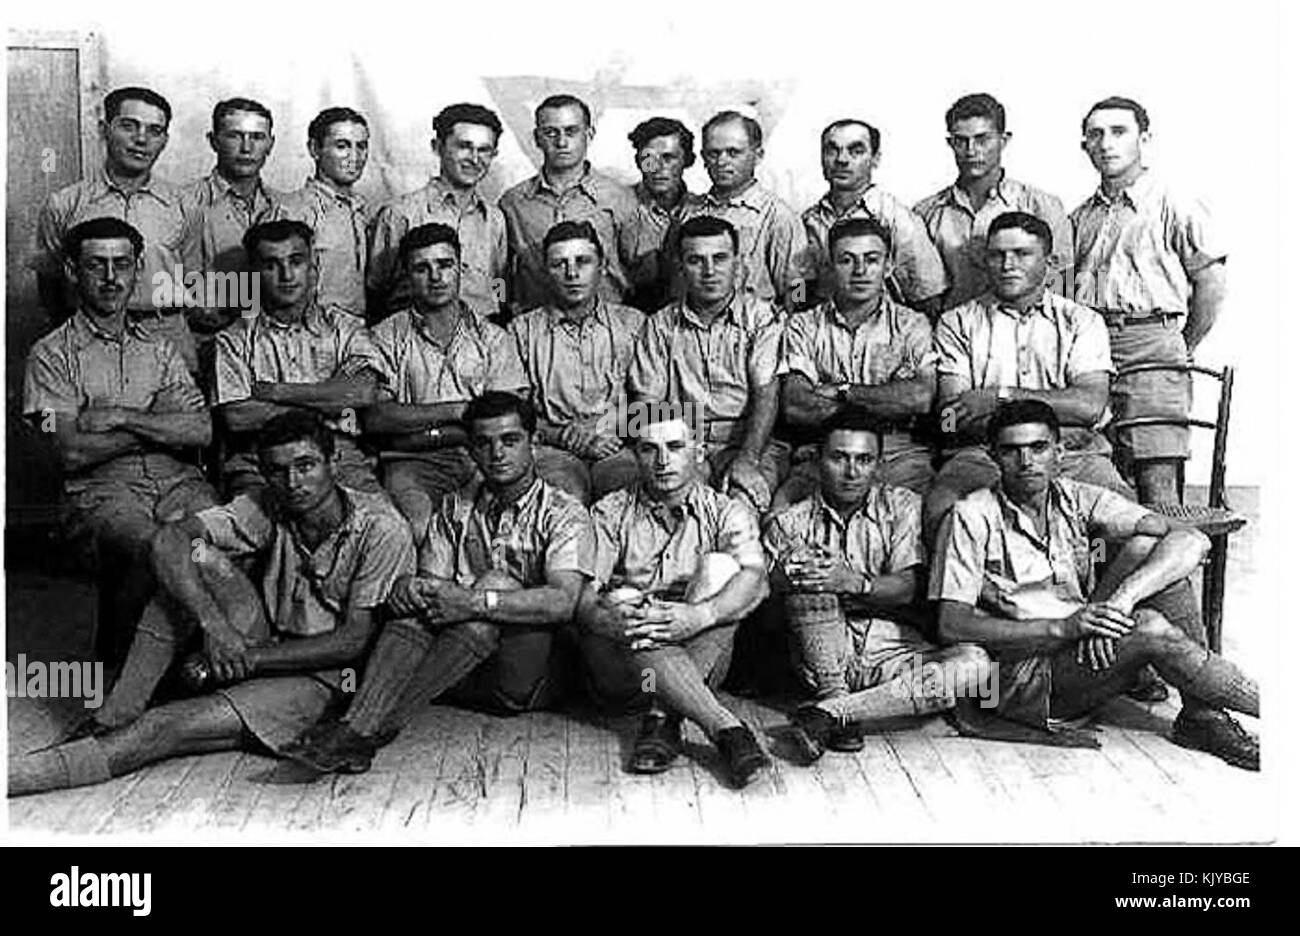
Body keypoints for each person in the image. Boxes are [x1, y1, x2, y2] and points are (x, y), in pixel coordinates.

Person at [9, 410, 415, 797]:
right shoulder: (268, 502)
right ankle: (113, 714)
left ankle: (15, 778)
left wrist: (247, 658)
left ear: (333, 461)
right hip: (261, 640)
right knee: (198, 556)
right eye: (277, 470)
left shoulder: (382, 529)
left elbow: (353, 642)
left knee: (159, 729)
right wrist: (215, 627)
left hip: (326, 679)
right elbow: (168, 539)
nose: (292, 482)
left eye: (306, 466)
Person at [278, 392, 595, 776]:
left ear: (534, 442)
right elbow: (435, 590)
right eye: (483, 443)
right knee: (419, 599)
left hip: (532, 676)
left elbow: (563, 602)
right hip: (462, 670)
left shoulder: (564, 513)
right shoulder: (455, 506)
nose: (497, 453)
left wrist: (476, 601)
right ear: (470, 450)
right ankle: (358, 733)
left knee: (494, 586)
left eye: (510, 440)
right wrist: (409, 589)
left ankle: (366, 726)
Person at [929, 399, 1258, 770]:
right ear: (993, 456)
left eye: (1038, 448)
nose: (1026, 462)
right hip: (1017, 676)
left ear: (1059, 451)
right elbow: (950, 625)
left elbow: (1192, 540)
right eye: (1011, 451)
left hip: (1077, 643)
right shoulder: (970, 516)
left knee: (1151, 553)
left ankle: (1203, 716)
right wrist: (1062, 627)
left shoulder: (1076, 496)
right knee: (1150, 627)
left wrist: (1118, 603)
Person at [22, 218, 218, 662]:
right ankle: (217, 638)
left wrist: (120, 418)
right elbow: (71, 450)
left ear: (136, 269)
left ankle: (179, 662)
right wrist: (156, 426)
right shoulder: (50, 356)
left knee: (223, 536)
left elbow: (201, 429)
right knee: (163, 546)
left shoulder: (162, 348)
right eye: (97, 265)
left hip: (179, 481)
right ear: (72, 271)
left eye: (122, 265)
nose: (112, 278)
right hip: (102, 493)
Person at [764, 407, 989, 761]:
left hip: (894, 652)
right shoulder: (791, 521)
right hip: (823, 654)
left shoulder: (903, 506)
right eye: (839, 458)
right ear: (817, 460)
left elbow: (912, 587)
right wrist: (788, 576)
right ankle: (834, 695)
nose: (852, 472)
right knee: (807, 573)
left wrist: (854, 582)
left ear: (879, 464)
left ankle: (832, 713)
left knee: (975, 664)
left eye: (864, 460)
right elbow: (765, 609)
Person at [575, 406, 772, 787]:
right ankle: (723, 726)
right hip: (630, 676)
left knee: (723, 569)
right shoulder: (609, 511)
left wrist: (699, 616)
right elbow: (582, 597)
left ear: (698, 452)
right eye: (649, 449)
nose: (663, 461)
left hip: (700, 662)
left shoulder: (725, 511)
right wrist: (610, 620)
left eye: (676, 446)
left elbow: (756, 580)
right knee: (625, 599)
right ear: (635, 455)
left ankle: (664, 714)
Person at [925, 211, 1132, 543]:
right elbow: (951, 416)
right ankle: (968, 591)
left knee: (1120, 524)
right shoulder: (957, 322)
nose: (1008, 264)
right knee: (941, 509)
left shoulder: (1082, 321)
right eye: (997, 255)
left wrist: (999, 397)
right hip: (985, 455)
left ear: (1049, 262)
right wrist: (1050, 420)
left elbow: (1090, 406)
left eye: (1022, 254)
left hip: (1073, 455)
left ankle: (1097, 586)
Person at [1071, 96, 1227, 505]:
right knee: (1097, 477)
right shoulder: (1080, 216)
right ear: (1084, 144)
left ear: (1145, 138)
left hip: (1152, 344)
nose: (1106, 143)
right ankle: (1120, 569)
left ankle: (1175, 568)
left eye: (1119, 132)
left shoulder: (1174, 201)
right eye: (1095, 134)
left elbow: (1210, 281)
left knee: (1156, 477)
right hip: (1094, 352)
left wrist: (1180, 345)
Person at [366, 223, 528, 531]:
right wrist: (457, 411)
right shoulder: (383, 337)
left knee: (494, 526)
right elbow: (377, 418)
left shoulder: (493, 337)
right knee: (416, 525)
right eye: (422, 269)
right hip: (411, 463)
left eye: (445, 265)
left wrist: (419, 431)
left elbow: (506, 418)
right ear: (407, 276)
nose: (436, 277)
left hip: (482, 458)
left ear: (460, 268)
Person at [31, 86, 202, 372]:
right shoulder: (65, 204)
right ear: (104, 129)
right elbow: (50, 286)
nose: (141, 140)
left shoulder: (185, 206)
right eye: (129, 126)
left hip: (167, 334)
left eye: (154, 131)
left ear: (165, 141)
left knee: (178, 415)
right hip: (90, 340)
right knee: (93, 417)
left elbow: (193, 278)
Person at [213, 220, 386, 497]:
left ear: (313, 269)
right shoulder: (233, 339)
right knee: (261, 532)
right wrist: (327, 406)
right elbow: (237, 416)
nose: (286, 275)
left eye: (296, 261)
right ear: (254, 275)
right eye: (271, 265)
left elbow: (362, 392)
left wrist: (277, 392)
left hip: (339, 455)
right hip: (260, 462)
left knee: (386, 525)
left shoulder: (346, 327)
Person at [776, 217, 937, 511]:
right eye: (847, 260)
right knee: (781, 516)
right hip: (823, 452)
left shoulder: (912, 324)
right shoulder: (803, 325)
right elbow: (795, 405)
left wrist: (842, 391)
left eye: (871, 260)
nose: (860, 271)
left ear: (888, 267)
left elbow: (920, 398)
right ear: (829, 268)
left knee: (921, 519)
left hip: (897, 453)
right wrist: (886, 397)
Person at [628, 215, 785, 513]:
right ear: (681, 267)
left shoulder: (763, 319)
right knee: (681, 507)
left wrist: (748, 459)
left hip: (749, 441)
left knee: (742, 507)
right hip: (681, 440)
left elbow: (767, 395)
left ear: (738, 264)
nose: (709, 271)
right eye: (696, 261)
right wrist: (672, 455)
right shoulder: (659, 325)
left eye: (720, 258)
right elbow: (647, 405)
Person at [510, 220, 643, 503]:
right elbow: (512, 413)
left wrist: (599, 427)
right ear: (546, 272)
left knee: (629, 494)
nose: (572, 273)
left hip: (617, 444)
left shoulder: (634, 324)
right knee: (561, 500)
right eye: (559, 264)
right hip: (550, 449)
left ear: (602, 266)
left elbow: (655, 404)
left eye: (583, 261)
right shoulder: (521, 332)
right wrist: (562, 436)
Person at [915, 93, 1073, 313]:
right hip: (952, 337)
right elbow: (921, 292)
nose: (971, 150)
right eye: (961, 141)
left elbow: (1062, 284)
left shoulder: (1041, 206)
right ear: (950, 144)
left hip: (1028, 335)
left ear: (1003, 140)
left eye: (982, 139)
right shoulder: (926, 214)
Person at [499, 94, 638, 316]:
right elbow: (498, 274)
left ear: (589, 134)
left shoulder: (619, 198)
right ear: (536, 138)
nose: (562, 142)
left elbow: (641, 274)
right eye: (551, 133)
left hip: (608, 331)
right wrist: (503, 309)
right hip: (537, 334)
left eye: (571, 131)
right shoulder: (513, 204)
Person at [367, 103, 508, 322]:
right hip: (416, 340)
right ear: (438, 147)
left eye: (484, 150)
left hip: (482, 343)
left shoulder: (495, 219)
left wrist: (499, 309)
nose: (474, 158)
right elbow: (377, 290)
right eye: (464, 146)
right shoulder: (401, 214)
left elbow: (498, 281)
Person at [803, 119, 946, 319]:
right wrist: (796, 309)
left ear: (875, 158)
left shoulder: (900, 221)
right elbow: (797, 286)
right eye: (832, 150)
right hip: (822, 338)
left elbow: (927, 298)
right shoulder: (807, 222)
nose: (842, 160)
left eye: (856, 151)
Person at [670, 111, 809, 311]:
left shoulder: (778, 216)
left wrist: (793, 321)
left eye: (733, 152)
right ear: (703, 158)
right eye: (714, 153)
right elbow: (674, 287)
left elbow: (798, 284)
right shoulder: (687, 213)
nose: (722, 161)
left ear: (758, 155)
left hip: (754, 333)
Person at [185, 97, 281, 368]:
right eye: (235, 136)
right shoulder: (183, 204)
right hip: (207, 350)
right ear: (213, 140)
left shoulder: (287, 207)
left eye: (257, 137)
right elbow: (170, 285)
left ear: (270, 144)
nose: (247, 148)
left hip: (276, 351)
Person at [274, 107, 373, 317]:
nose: (354, 157)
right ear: (314, 149)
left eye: (361, 146)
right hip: (308, 338)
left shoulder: (363, 212)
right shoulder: (291, 212)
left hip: (357, 337)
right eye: (342, 146)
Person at [624, 116, 702, 312]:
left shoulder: (703, 211)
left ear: (687, 160)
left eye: (668, 158)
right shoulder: (619, 208)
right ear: (638, 162)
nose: (658, 168)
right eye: (649, 159)